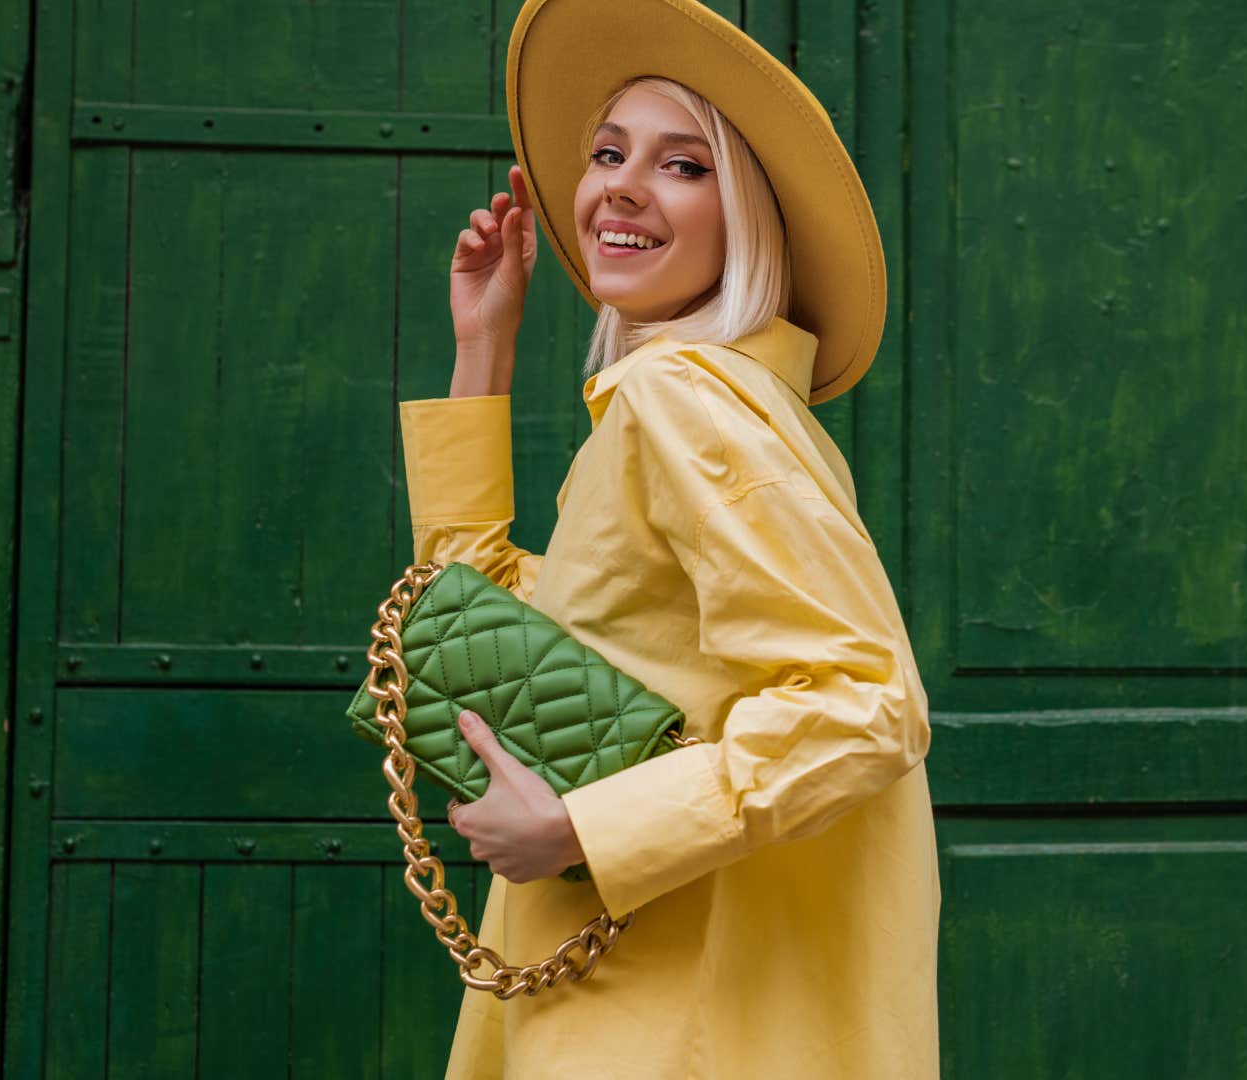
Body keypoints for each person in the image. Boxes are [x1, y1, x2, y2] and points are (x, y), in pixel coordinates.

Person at [394, 1, 939, 1076]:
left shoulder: (683, 401)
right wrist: (483, 349)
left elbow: (866, 701)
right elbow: (491, 631)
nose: (620, 186)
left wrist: (587, 832)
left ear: (748, 217)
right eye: (607, 153)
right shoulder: (715, 406)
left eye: (683, 165)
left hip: (664, 1018)